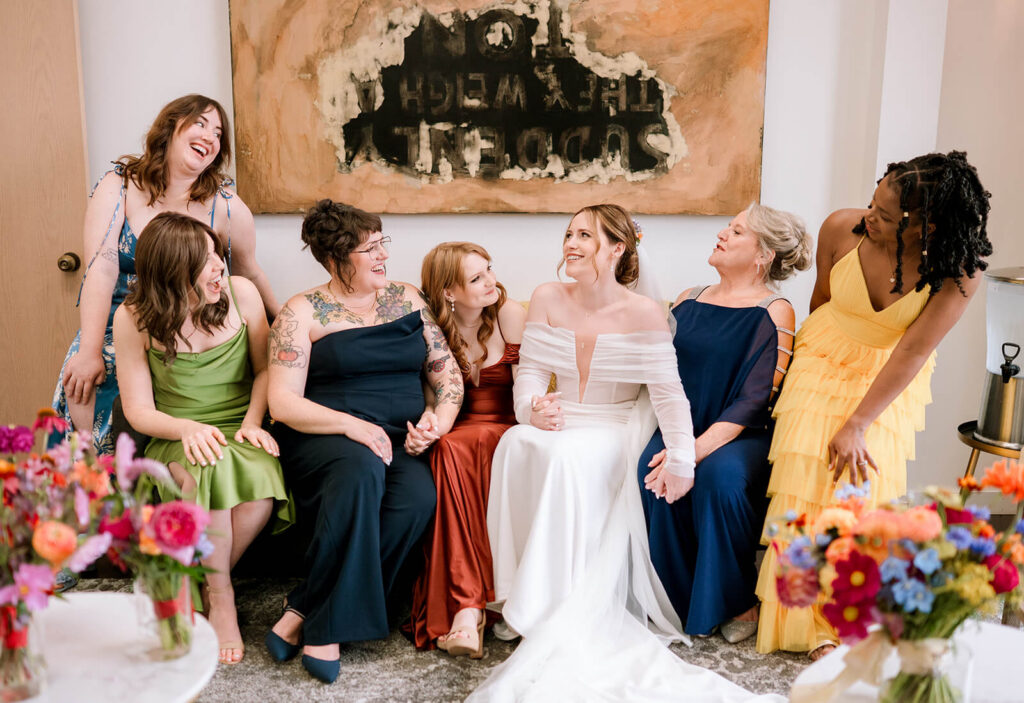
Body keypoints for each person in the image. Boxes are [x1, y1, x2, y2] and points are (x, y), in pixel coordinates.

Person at [472, 205, 784, 702]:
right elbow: (528, 371)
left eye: (585, 236)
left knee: (566, 460)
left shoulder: (645, 313)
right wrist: (532, 409)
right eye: (568, 234)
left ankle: (552, 604)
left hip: (614, 427)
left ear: (617, 249)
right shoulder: (548, 297)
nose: (570, 243)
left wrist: (683, 458)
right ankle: (518, 595)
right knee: (516, 442)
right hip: (560, 416)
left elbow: (668, 396)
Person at [755, 151, 993, 659]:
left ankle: (845, 613)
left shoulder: (957, 271)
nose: (869, 217)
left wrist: (859, 422)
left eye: (884, 216)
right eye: (873, 203)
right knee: (805, 482)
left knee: (864, 488)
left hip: (890, 373)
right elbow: (820, 302)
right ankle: (802, 620)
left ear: (924, 225)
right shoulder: (842, 228)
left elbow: (914, 349)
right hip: (823, 355)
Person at [263, 200, 463, 684]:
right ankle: (327, 628)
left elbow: (447, 374)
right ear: (336, 258)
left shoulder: (409, 298)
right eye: (369, 249)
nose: (382, 256)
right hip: (325, 435)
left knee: (417, 500)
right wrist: (350, 426)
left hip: (398, 438)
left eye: (382, 244)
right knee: (360, 471)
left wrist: (437, 422)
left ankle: (307, 603)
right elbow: (283, 404)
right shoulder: (301, 312)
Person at [55, 94, 280, 455]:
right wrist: (91, 350)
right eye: (201, 123)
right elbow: (102, 266)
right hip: (118, 324)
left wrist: (288, 327)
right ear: (170, 127)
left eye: (219, 132)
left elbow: (248, 273)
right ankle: (98, 495)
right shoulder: (121, 186)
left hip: (187, 329)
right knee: (85, 387)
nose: (211, 136)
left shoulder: (226, 206)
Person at [113, 212, 292, 665]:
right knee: (208, 465)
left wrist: (253, 422)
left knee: (257, 499)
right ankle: (223, 598)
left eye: (218, 254)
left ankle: (189, 582)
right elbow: (138, 411)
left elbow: (266, 370)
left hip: (241, 424)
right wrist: (188, 429)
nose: (220, 268)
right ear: (175, 271)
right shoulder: (132, 318)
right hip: (178, 433)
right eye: (207, 261)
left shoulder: (243, 295)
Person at [637, 204, 811, 644]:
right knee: (647, 466)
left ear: (763, 255)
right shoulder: (687, 299)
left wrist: (690, 453)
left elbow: (754, 402)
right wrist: (678, 445)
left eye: (736, 231)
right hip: (680, 425)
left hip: (741, 436)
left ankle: (737, 601)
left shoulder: (775, 311)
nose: (722, 234)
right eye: (727, 227)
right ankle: (674, 600)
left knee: (716, 477)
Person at [407, 242, 525, 657]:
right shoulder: (431, 331)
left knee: (459, 448)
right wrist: (426, 425)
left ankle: (469, 607)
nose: (492, 281)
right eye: (477, 278)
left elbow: (531, 386)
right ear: (449, 293)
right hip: (456, 430)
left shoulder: (510, 315)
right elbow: (431, 396)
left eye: (489, 270)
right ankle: (467, 607)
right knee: (445, 448)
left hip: (510, 428)